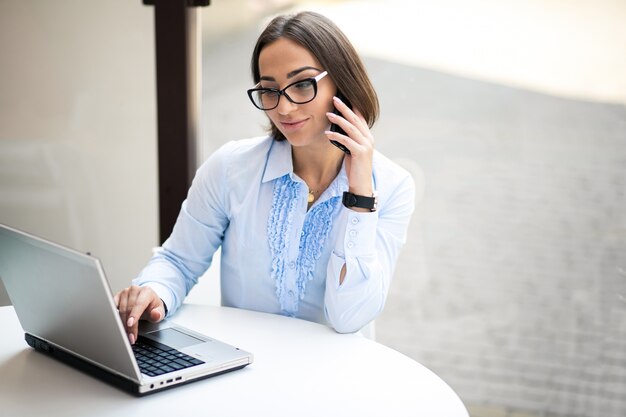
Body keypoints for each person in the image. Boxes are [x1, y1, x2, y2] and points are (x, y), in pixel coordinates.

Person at [115, 11, 415, 344]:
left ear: (342, 82)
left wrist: (359, 195)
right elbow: (178, 261)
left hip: (331, 379)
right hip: (241, 366)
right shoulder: (231, 168)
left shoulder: (392, 186)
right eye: (269, 90)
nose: (284, 109)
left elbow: (349, 318)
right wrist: (152, 291)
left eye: (302, 84)